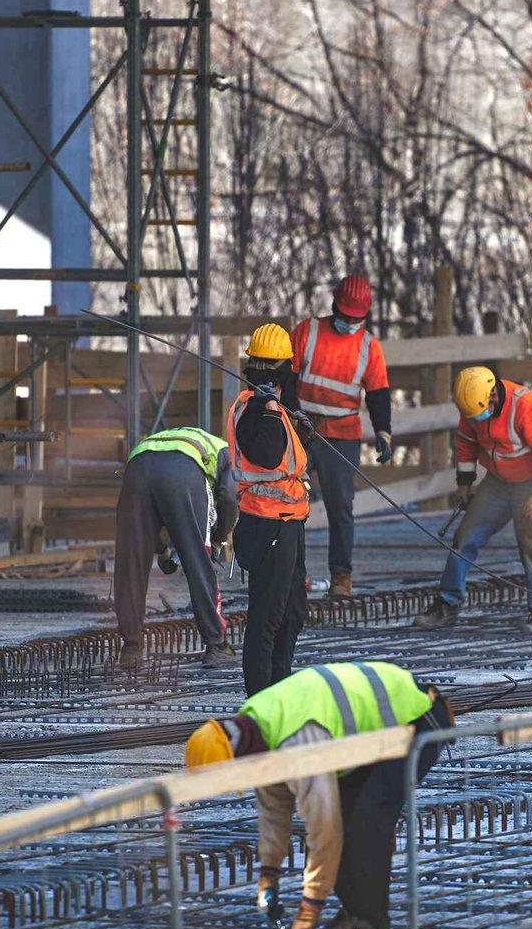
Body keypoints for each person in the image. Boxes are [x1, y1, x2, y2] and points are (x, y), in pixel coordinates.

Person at [182, 661, 454, 929]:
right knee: (352, 818)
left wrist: (309, 911)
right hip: (374, 737)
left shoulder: (298, 743)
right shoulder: (256, 729)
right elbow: (274, 812)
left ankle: (371, 924)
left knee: (363, 821)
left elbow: (325, 833)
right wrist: (268, 878)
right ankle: (357, 917)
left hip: (417, 717)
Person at [413, 366, 532, 633]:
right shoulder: (471, 406)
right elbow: (465, 444)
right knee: (464, 539)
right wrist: (464, 484)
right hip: (498, 483)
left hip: (531, 483)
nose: (476, 420)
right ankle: (447, 604)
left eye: (479, 414)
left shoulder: (525, 406)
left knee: (531, 545)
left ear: (493, 396)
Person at [291, 274, 394, 598]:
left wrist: (384, 432)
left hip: (342, 434)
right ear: (335, 306)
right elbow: (287, 379)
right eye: (345, 316)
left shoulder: (368, 347)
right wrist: (295, 418)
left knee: (340, 506)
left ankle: (341, 577)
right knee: (289, 502)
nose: (349, 322)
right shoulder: (307, 332)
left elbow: (378, 394)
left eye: (356, 318)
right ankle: (292, 574)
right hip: (301, 430)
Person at [229, 324, 313, 695]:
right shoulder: (253, 409)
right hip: (267, 526)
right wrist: (268, 409)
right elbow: (264, 453)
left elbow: (288, 453)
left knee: (292, 615)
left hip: (289, 523)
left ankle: (279, 691)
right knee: (266, 621)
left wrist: (297, 422)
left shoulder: (277, 407)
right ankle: (261, 705)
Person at [113, 426, 239, 671]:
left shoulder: (166, 439)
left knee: (131, 562)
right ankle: (217, 645)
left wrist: (162, 550)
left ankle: (130, 648)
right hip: (183, 472)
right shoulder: (225, 451)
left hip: (137, 469)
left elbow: (148, 526)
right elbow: (229, 499)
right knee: (197, 560)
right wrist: (219, 538)